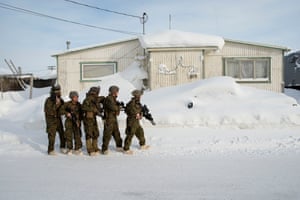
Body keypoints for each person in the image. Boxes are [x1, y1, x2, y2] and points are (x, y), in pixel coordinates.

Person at [123, 90, 149, 154]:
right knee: (130, 134)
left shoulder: (137, 102)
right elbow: (129, 111)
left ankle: (142, 145)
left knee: (140, 132)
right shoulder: (132, 103)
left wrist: (141, 113)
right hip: (132, 121)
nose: (140, 97)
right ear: (137, 96)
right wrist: (136, 114)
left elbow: (139, 111)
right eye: (139, 95)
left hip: (136, 121)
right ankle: (126, 149)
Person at [44, 85, 66, 155]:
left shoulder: (60, 99)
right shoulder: (48, 100)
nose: (58, 93)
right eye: (56, 91)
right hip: (51, 120)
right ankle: (50, 150)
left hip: (58, 119)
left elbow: (62, 109)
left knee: (62, 134)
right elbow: (49, 111)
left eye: (59, 91)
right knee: (52, 135)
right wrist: (56, 104)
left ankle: (62, 147)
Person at [101, 85, 123, 155]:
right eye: (117, 92)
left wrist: (118, 107)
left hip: (113, 118)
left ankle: (119, 146)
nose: (117, 93)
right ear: (114, 92)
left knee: (116, 133)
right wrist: (118, 107)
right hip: (109, 119)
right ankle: (104, 149)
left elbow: (116, 108)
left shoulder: (113, 99)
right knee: (107, 134)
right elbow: (113, 107)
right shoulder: (108, 99)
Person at [60, 91, 83, 155]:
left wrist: (79, 120)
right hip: (69, 122)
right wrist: (67, 113)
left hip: (76, 121)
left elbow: (82, 113)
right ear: (71, 97)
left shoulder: (79, 105)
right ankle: (69, 148)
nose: (76, 98)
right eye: (75, 97)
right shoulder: (67, 104)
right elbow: (61, 110)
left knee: (77, 135)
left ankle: (77, 148)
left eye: (77, 97)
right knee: (68, 135)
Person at [82, 87, 103, 156]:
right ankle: (90, 149)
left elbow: (98, 109)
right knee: (89, 133)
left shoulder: (95, 100)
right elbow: (83, 107)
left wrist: (98, 112)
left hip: (93, 118)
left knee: (95, 133)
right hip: (88, 119)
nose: (97, 94)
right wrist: (93, 109)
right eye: (96, 92)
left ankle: (95, 147)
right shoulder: (87, 99)